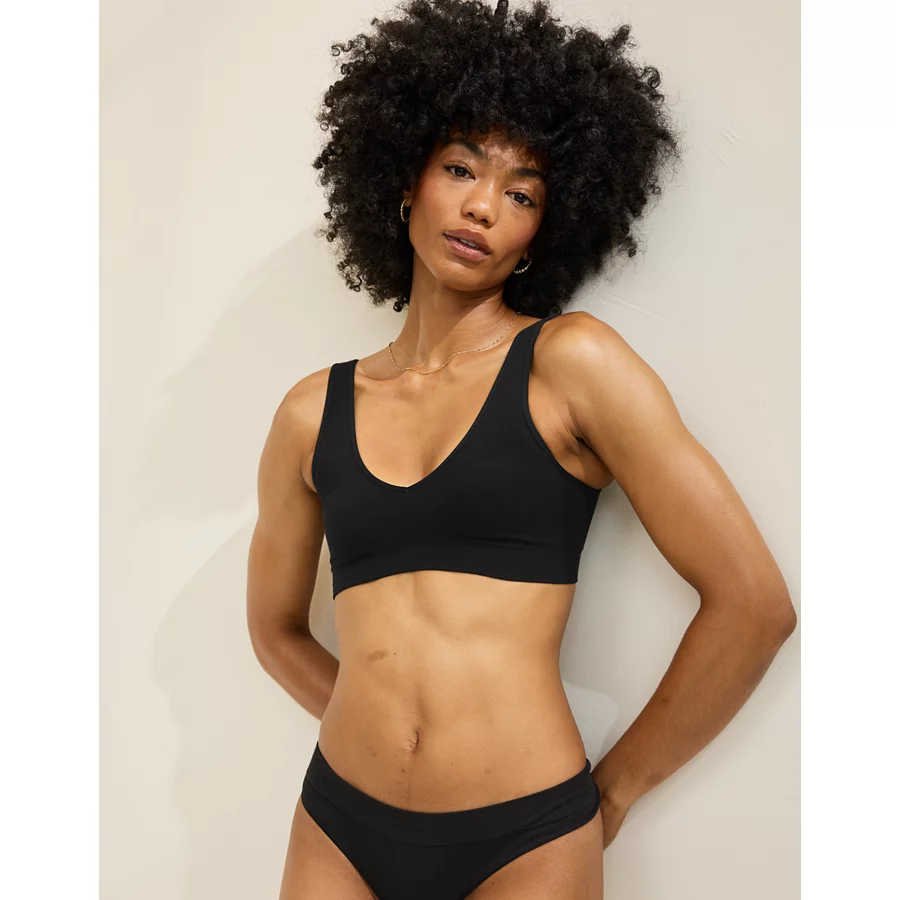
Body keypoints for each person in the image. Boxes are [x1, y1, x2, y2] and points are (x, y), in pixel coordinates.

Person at [246, 2, 797, 898]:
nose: (482, 206)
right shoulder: (311, 413)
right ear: (405, 181)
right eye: (461, 168)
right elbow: (273, 630)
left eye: (522, 193)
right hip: (338, 824)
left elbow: (754, 605)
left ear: (545, 230)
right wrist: (368, 721)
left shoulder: (572, 365)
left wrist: (612, 794)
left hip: (526, 837)